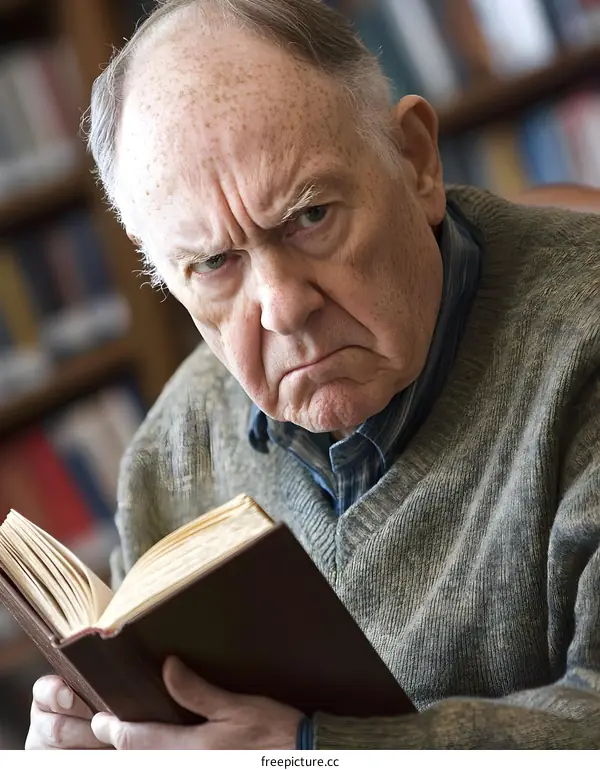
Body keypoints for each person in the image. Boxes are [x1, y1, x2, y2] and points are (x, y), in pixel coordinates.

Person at [26, 0, 600, 751]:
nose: (284, 309)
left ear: (416, 160)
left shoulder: (582, 344)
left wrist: (313, 751)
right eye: (215, 264)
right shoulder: (174, 450)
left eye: (310, 217)